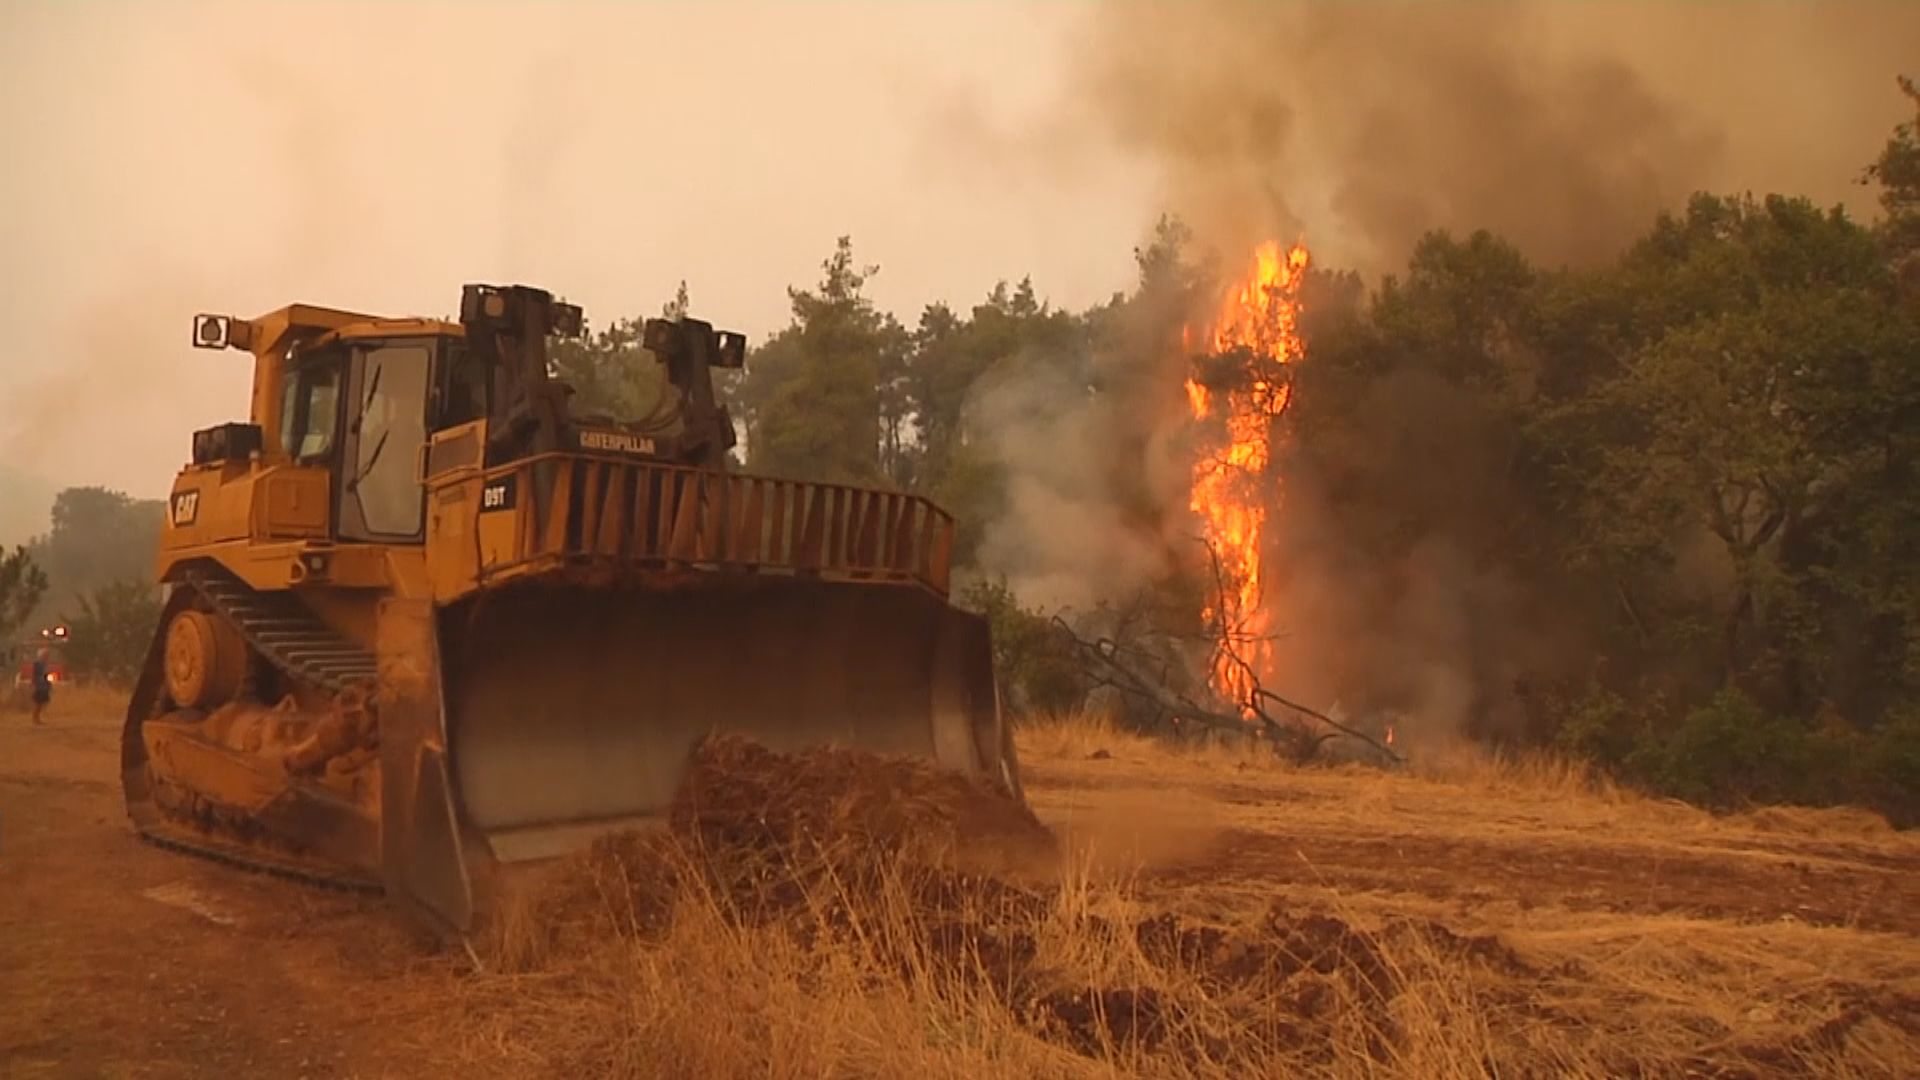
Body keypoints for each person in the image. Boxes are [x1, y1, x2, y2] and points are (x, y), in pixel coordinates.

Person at [29, 646, 52, 725]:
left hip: (44, 685)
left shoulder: (45, 664)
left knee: (42, 703)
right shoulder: (37, 664)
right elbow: (35, 675)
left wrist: (48, 684)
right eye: (46, 655)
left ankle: (37, 718)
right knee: (38, 703)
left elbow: (46, 675)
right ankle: (35, 718)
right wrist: (34, 684)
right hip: (39, 685)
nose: (47, 656)